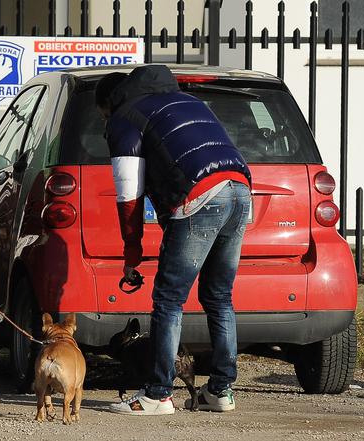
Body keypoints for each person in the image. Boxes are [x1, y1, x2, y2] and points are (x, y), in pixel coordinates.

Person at [96, 65, 251, 415]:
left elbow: (129, 196)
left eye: (101, 115)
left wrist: (131, 253)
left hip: (201, 195)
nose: (104, 121)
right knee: (219, 297)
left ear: (107, 103)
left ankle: (157, 394)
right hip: (240, 190)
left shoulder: (124, 117)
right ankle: (221, 391)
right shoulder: (186, 99)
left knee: (168, 300)